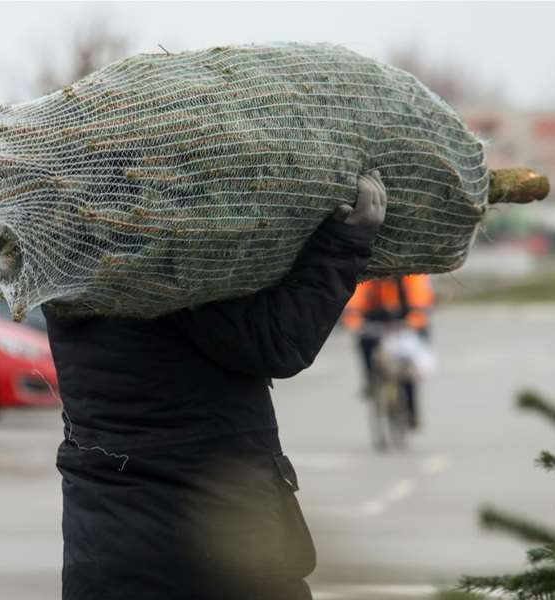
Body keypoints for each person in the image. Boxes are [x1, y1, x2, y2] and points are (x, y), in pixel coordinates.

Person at [43, 171, 387, 600]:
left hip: (103, 547)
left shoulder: (63, 268)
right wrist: (344, 246)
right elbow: (278, 344)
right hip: (215, 543)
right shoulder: (174, 263)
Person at [341, 274, 434, 429]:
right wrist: (354, 320)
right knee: (365, 342)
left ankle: (411, 411)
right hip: (375, 318)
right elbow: (356, 300)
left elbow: (419, 297)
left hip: (405, 319)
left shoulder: (410, 274)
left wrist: (414, 320)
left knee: (406, 367)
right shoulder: (370, 275)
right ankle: (370, 379)